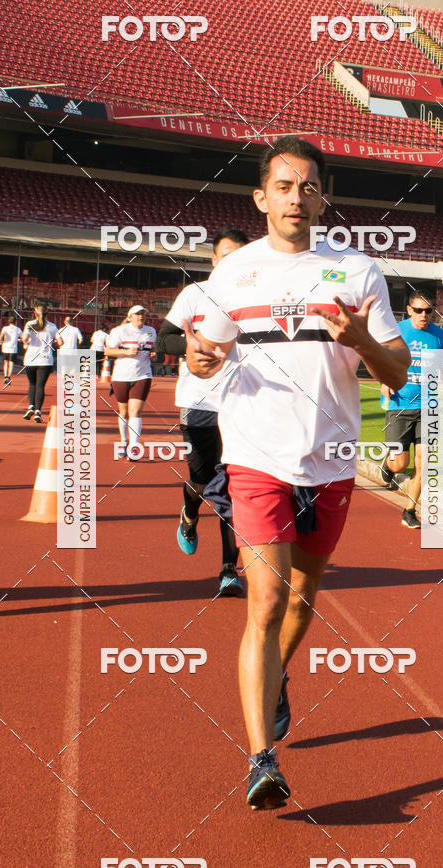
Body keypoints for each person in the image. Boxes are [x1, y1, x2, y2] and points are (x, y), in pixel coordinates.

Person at [185, 137, 410, 810]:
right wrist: (200, 362)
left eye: (308, 186)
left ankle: (276, 678)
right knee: (268, 601)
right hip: (255, 456)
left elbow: (397, 374)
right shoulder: (232, 275)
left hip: (332, 460)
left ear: (322, 197)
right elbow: (205, 358)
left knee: (303, 600)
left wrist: (362, 340)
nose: (296, 197)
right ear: (261, 197)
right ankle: (261, 759)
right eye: (284, 186)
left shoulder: (359, 272)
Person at [156, 226, 249, 598]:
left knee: (232, 488)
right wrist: (192, 345)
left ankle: (229, 569)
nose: (232, 263)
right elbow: (163, 338)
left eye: (240, 257)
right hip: (198, 404)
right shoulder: (195, 295)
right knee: (201, 479)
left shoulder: (257, 300)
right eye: (226, 256)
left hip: (242, 406)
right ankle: (189, 512)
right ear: (213, 260)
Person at [380, 290, 443, 529]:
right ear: (409, 309)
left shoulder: (441, 337)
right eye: (419, 310)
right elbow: (381, 359)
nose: (424, 315)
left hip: (429, 406)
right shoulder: (396, 331)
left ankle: (409, 510)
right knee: (400, 463)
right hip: (400, 403)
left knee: (425, 463)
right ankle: (388, 465)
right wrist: (384, 380)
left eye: (428, 311)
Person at [104, 305, 157, 458]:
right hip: (121, 376)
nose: (140, 316)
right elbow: (108, 351)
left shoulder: (151, 331)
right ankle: (123, 440)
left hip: (142, 375)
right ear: (130, 317)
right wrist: (126, 352)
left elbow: (152, 348)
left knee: (136, 411)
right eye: (137, 314)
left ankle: (134, 446)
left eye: (143, 314)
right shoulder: (119, 331)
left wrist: (153, 354)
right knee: (124, 411)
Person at [22, 302, 63, 422]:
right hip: (45, 359)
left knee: (32, 384)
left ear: (35, 312)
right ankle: (38, 412)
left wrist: (27, 342)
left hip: (30, 358)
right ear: (47, 313)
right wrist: (51, 343)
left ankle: (31, 406)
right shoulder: (52, 326)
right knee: (40, 386)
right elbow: (61, 342)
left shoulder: (29, 324)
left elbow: (24, 339)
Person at [0, 314, 23, 384]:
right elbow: (22, 337)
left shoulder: (5, 328)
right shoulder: (18, 329)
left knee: (5, 362)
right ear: (15, 322)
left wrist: (0, 341)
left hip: (5, 347)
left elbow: (1, 336)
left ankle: (5, 376)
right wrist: (18, 340)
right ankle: (9, 377)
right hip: (13, 348)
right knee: (11, 362)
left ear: (9, 321)